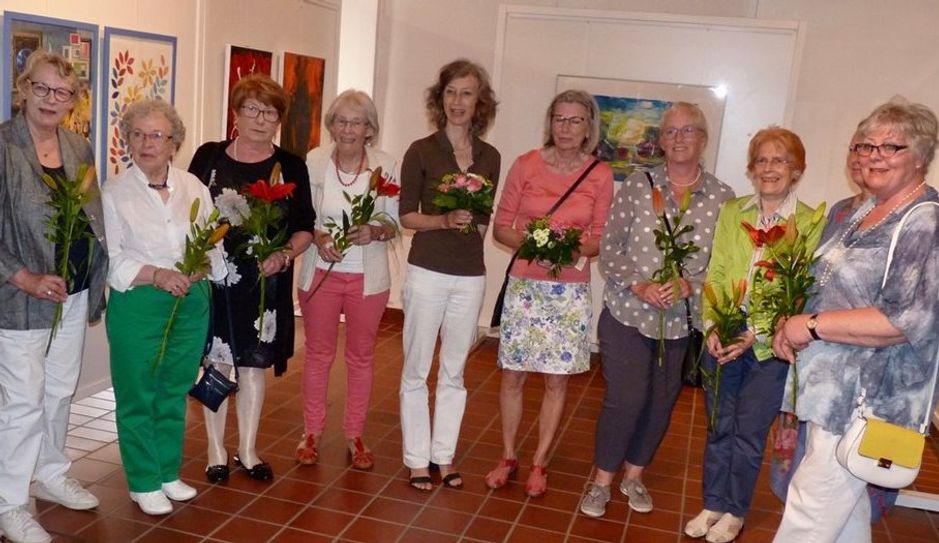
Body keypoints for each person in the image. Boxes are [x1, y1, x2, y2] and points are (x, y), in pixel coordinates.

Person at [771, 99, 939, 542]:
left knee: (807, 515)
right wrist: (791, 323)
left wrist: (808, 325)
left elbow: (904, 320)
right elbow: (827, 283)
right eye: (866, 145)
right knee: (843, 517)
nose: (873, 155)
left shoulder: (924, 220)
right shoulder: (867, 210)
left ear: (920, 156)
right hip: (833, 390)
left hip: (868, 398)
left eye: (890, 146)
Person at [578, 102, 734, 518]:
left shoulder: (722, 198)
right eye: (670, 132)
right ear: (660, 140)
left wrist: (691, 285)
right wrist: (640, 284)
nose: (679, 139)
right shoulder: (637, 183)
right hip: (628, 312)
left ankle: (633, 475)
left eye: (688, 131)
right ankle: (601, 481)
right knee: (625, 399)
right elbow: (609, 248)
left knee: (661, 403)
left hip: (679, 323)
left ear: (703, 139)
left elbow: (724, 264)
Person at [682, 127, 823, 543]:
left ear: (796, 170)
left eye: (779, 160)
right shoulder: (734, 211)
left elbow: (800, 291)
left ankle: (735, 510)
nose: (769, 168)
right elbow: (719, 272)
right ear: (751, 168)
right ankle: (712, 501)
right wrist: (714, 325)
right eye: (762, 160)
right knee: (718, 424)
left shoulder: (809, 223)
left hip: (771, 346)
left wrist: (757, 335)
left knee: (747, 431)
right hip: (725, 331)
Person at [0, 51, 106, 543]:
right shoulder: (3, 146)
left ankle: (51, 471)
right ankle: (10, 502)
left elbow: (91, 216)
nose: (50, 99)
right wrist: (22, 276)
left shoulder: (78, 147)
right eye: (40, 88)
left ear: (73, 101)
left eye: (61, 92)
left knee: (61, 389)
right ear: (22, 88)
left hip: (75, 290)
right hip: (22, 299)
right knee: (22, 402)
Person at [102, 99, 227, 515]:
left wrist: (198, 269)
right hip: (140, 302)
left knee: (174, 389)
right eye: (137, 134)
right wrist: (157, 274)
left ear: (173, 142)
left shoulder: (193, 187)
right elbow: (113, 258)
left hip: (191, 300)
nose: (146, 143)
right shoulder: (114, 191)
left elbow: (214, 241)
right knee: (138, 392)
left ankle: (167, 471)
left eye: (156, 135)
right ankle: (142, 480)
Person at [486, 90, 613, 498]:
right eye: (559, 118)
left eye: (575, 120)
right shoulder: (525, 165)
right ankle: (507, 455)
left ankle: (539, 461)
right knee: (513, 375)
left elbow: (600, 237)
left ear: (589, 127)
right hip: (525, 286)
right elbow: (502, 225)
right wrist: (534, 245)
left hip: (568, 291)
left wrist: (567, 249)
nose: (566, 127)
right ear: (550, 122)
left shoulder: (599, 175)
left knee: (557, 382)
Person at [189, 74, 314, 483]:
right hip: (215, 279)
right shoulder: (208, 157)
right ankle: (215, 450)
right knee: (218, 364)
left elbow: (304, 227)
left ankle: (248, 449)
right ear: (236, 113)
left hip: (265, 281)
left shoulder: (291, 164)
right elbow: (186, 212)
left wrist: (284, 254)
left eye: (271, 112)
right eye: (252, 109)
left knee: (253, 366)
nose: (261, 119)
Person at [399, 59, 500, 491]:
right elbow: (406, 217)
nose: (458, 102)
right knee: (417, 368)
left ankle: (444, 456)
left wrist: (468, 222)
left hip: (469, 274)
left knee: (455, 371)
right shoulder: (421, 150)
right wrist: (442, 221)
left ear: (480, 103)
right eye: (451, 93)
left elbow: (482, 224)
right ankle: (416, 459)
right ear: (440, 100)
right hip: (427, 269)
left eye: (467, 93)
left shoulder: (490, 157)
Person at [296, 90, 399, 469]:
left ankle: (355, 435)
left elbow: (394, 221)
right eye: (341, 120)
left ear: (369, 129)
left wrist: (374, 231)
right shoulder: (315, 160)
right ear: (331, 125)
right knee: (318, 355)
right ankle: (311, 432)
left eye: (357, 122)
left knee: (360, 356)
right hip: (320, 272)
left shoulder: (385, 165)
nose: (348, 129)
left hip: (366, 277)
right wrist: (318, 237)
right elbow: (302, 215)